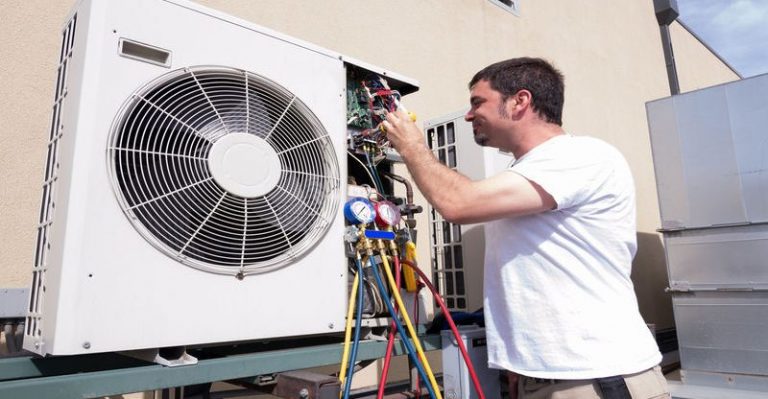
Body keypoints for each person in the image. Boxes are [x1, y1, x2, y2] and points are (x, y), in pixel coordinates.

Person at [381, 57, 669, 399]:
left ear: (520, 101)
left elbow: (458, 203)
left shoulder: (579, 156)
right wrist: (519, 367)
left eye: (477, 103)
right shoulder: (530, 171)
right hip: (548, 378)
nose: (469, 115)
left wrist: (411, 144)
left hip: (596, 380)